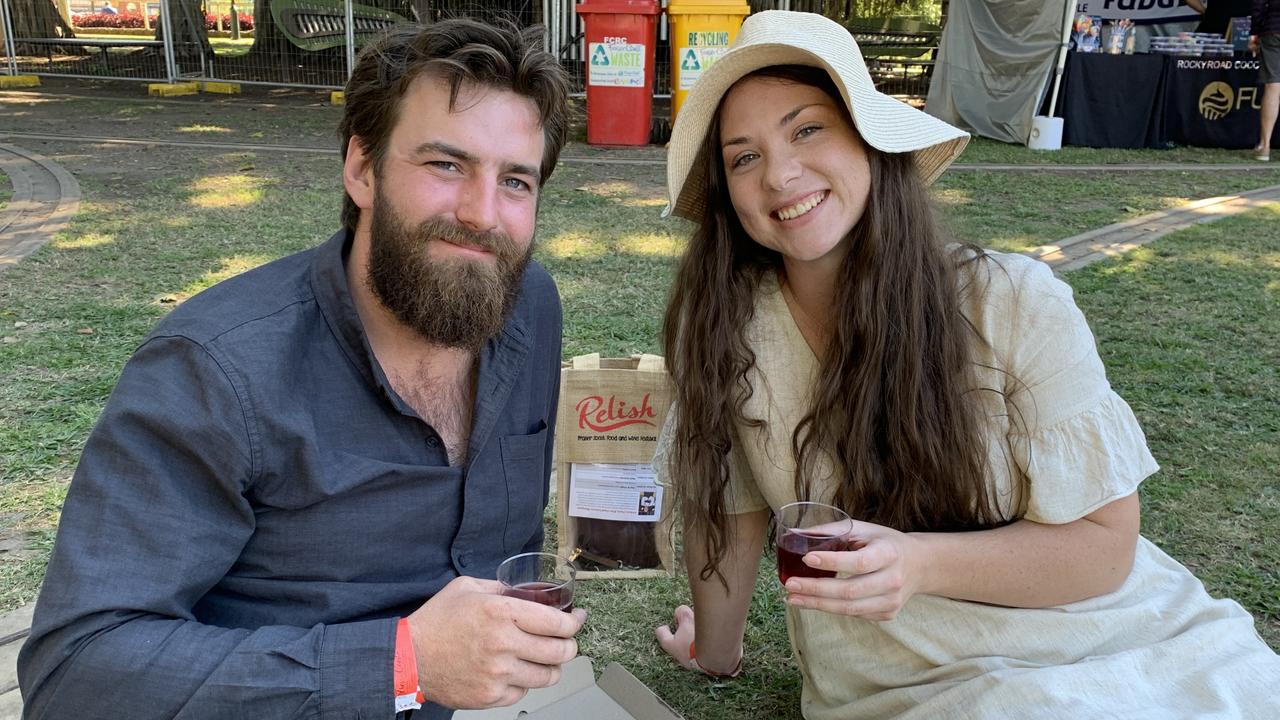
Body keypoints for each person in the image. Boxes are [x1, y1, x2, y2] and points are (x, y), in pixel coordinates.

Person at [652, 10, 1280, 718]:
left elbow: (1106, 547)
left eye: (806, 129)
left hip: (1125, 636)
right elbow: (730, 522)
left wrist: (920, 565)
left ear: (870, 138)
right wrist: (714, 652)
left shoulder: (1012, 300)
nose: (781, 174)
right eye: (744, 156)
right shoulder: (729, 337)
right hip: (913, 682)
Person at [19, 18, 582, 720]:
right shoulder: (216, 371)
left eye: (517, 182)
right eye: (446, 165)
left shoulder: (528, 308)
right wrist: (403, 663)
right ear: (362, 168)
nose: (482, 214)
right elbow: (76, 675)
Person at [1253, 0, 1280, 160]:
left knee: (1273, 87)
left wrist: (1254, 34)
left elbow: (1258, 8)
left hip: (1274, 31)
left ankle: (1265, 146)